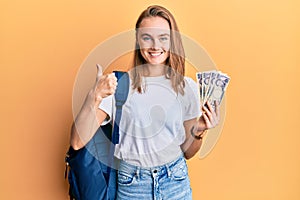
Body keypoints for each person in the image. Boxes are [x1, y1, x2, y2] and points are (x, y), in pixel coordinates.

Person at [70, 5, 220, 200]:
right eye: (147, 37)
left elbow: (188, 152)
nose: (155, 46)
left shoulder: (187, 88)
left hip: (175, 182)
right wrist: (94, 96)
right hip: (133, 185)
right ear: (138, 40)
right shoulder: (119, 85)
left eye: (163, 38)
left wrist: (199, 130)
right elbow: (76, 141)